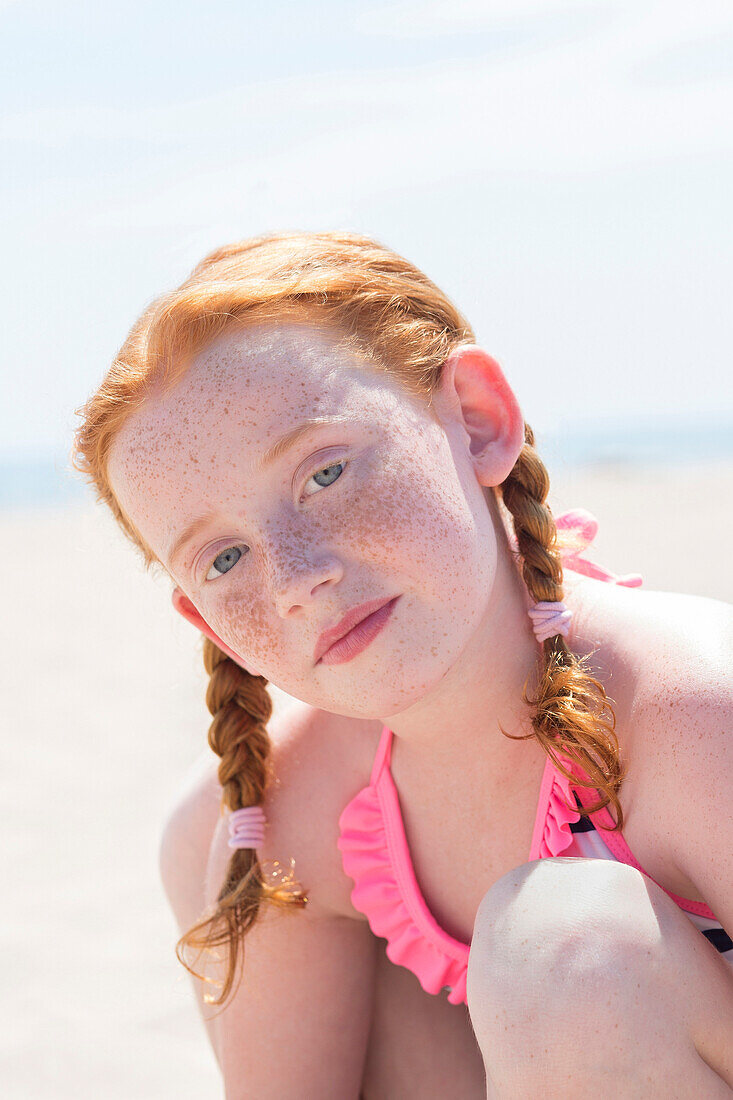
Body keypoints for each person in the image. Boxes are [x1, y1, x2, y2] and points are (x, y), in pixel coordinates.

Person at [71, 231, 733, 1098]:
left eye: (326, 472)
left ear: (476, 421)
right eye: (225, 560)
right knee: (215, 836)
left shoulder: (691, 711)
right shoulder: (314, 809)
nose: (299, 576)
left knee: (564, 948)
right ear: (210, 626)